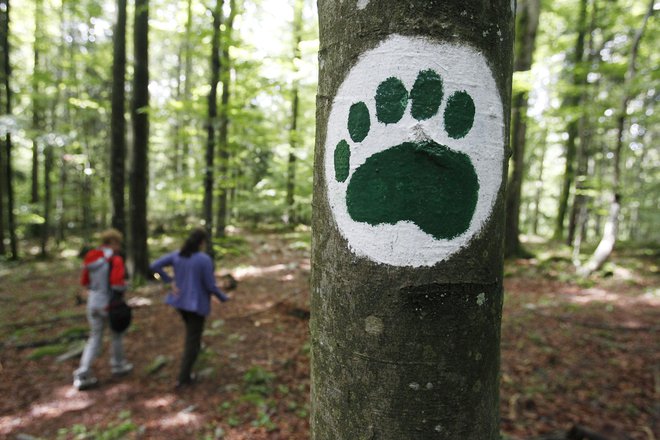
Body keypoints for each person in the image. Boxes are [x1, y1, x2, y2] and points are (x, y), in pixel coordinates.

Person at [150, 228, 229, 387]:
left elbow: (155, 266)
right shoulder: (203, 259)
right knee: (193, 339)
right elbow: (210, 285)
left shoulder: (178, 255)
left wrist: (168, 281)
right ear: (202, 242)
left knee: (192, 333)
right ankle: (184, 378)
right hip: (195, 304)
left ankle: (190, 364)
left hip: (180, 302)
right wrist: (224, 297)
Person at [73, 228, 133, 390]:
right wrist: (126, 286)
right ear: (112, 242)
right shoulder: (115, 259)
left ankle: (83, 373)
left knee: (95, 337)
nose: (119, 246)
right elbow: (117, 283)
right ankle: (118, 365)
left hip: (92, 302)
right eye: (118, 243)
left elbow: (84, 281)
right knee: (117, 334)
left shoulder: (91, 256)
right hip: (109, 303)